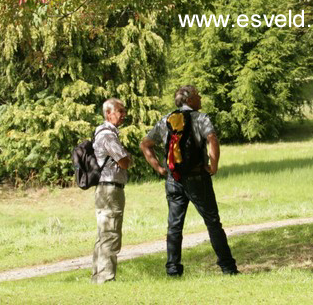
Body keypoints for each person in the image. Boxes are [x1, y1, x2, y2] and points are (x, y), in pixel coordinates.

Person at [140, 85, 238, 277]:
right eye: (197, 95)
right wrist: (214, 164)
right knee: (212, 222)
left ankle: (173, 270)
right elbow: (212, 139)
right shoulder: (201, 118)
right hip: (197, 178)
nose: (201, 98)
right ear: (190, 100)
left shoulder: (166, 120)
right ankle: (228, 268)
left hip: (173, 179)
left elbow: (145, 144)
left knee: (174, 226)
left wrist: (159, 168)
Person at [91, 97, 132, 284]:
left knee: (103, 234)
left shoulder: (103, 133)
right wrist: (128, 158)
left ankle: (97, 277)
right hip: (110, 189)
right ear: (109, 113)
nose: (123, 115)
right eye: (120, 111)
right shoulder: (107, 134)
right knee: (111, 233)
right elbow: (124, 160)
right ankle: (106, 278)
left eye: (124, 111)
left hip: (103, 188)